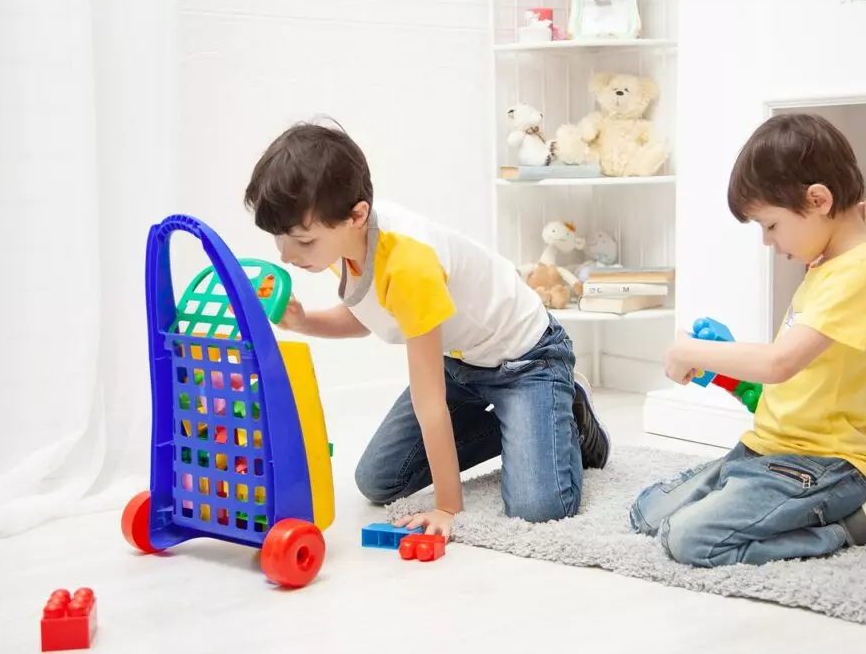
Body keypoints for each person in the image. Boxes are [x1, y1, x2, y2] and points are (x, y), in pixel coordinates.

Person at [243, 120, 611, 539]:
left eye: (302, 241)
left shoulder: (408, 264)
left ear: (357, 215)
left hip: (526, 360)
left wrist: (447, 508)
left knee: (539, 507)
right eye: (280, 239)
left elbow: (430, 401)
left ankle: (571, 416)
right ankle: (525, 429)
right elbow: (369, 317)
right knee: (379, 481)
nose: (288, 256)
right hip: (460, 362)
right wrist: (304, 321)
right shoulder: (342, 242)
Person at [631, 112, 866, 567]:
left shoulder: (863, 274)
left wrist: (690, 351)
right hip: (765, 450)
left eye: (770, 225)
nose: (767, 241)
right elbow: (795, 377)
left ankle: (841, 528)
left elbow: (781, 363)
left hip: (824, 465)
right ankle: (767, 503)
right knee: (648, 510)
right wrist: (729, 365)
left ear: (817, 199)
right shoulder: (826, 266)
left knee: (688, 540)